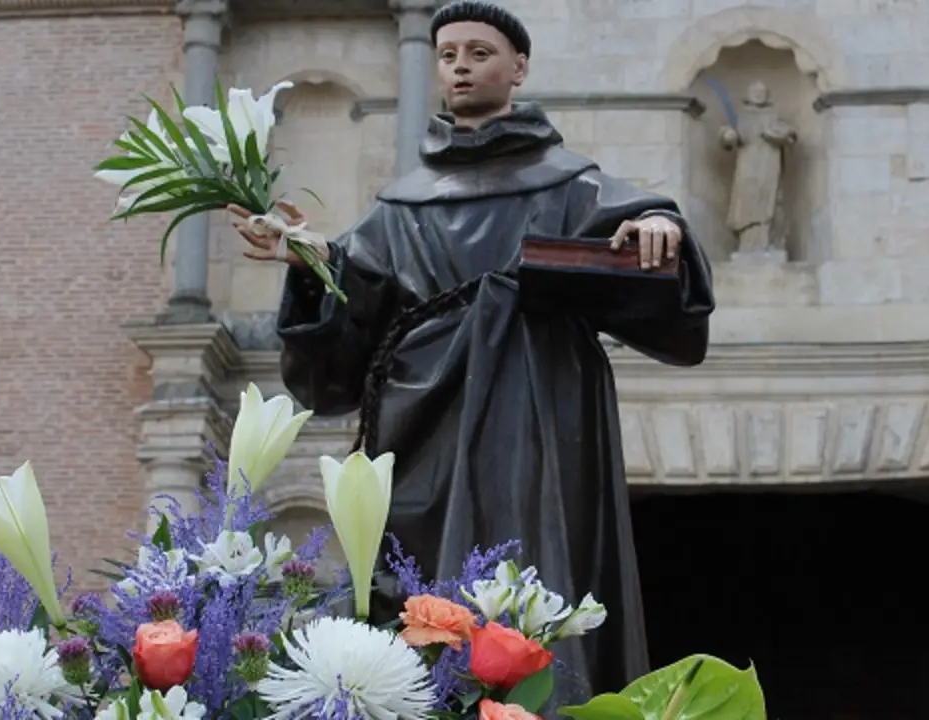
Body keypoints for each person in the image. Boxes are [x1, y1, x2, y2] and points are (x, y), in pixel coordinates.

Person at [226, 0, 715, 703]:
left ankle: (547, 702)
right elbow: (358, 304)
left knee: (538, 549)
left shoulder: (569, 180)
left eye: (478, 53)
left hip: (536, 398)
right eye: (448, 54)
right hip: (427, 415)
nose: (459, 66)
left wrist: (657, 222)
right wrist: (313, 264)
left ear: (518, 69)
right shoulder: (402, 204)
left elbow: (635, 218)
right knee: (425, 575)